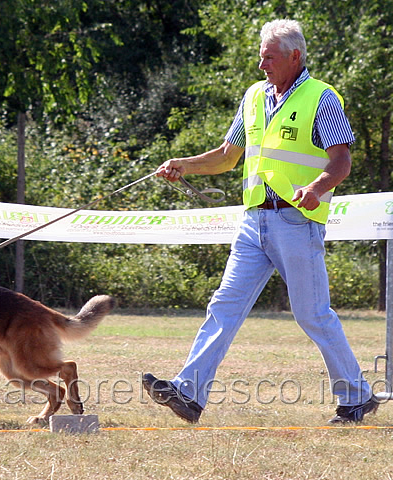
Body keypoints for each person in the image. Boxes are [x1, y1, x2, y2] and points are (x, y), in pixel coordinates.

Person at [143, 19, 377, 424]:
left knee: (313, 315)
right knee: (224, 306)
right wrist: (184, 165)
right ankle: (188, 393)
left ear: (295, 56)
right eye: (260, 56)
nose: (260, 64)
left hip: (297, 221)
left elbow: (341, 160)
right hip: (254, 223)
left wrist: (317, 188)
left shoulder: (322, 98)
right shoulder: (253, 96)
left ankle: (356, 397)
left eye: (268, 57)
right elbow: (227, 155)